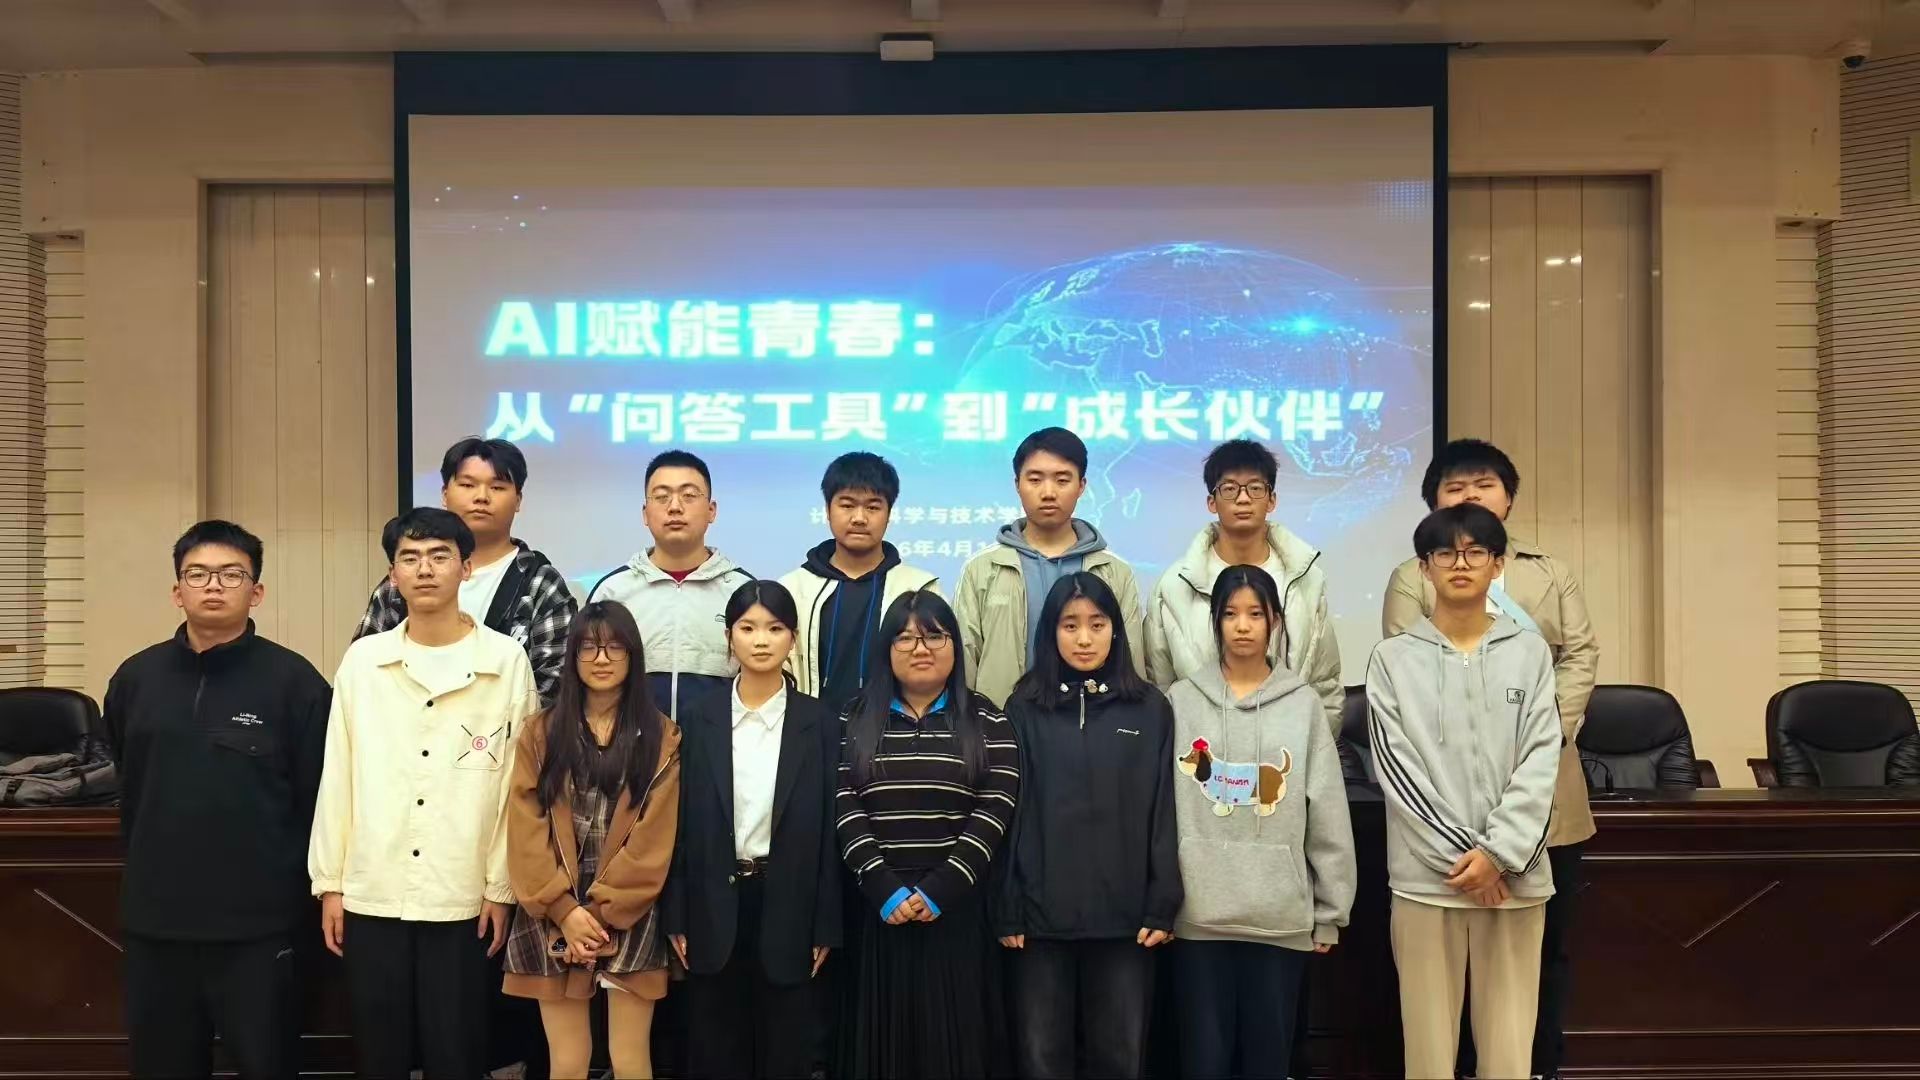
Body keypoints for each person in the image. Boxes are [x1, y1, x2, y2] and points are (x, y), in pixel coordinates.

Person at [1381, 438, 1597, 1080]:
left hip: (1523, 857)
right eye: (1446, 553)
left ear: (1497, 561)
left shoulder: (1533, 630)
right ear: (1426, 566)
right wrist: (1467, 857)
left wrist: (1500, 853)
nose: (1461, 563)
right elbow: (1398, 758)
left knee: (1517, 1028)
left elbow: (1545, 743)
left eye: (1476, 552)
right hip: (1431, 872)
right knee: (1428, 1041)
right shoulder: (1396, 651)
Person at [308, 507, 536, 1080]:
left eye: (439, 556)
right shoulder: (364, 661)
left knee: (457, 1050)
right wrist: (330, 883)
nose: (425, 569)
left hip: (464, 892)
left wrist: (501, 886)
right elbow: (338, 774)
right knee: (378, 1051)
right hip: (373, 887)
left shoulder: (505, 660)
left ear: (466, 568)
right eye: (410, 558)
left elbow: (519, 786)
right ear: (393, 575)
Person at [104, 520, 330, 1080]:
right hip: (157, 921)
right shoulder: (136, 678)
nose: (213, 586)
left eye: (231, 575)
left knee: (268, 1064)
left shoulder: (295, 682)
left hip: (259, 926)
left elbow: (316, 799)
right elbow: (128, 779)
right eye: (197, 574)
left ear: (257, 592)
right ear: (176, 590)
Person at [1165, 564, 1355, 1079]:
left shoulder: (1303, 705)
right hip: (1197, 919)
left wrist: (1330, 911)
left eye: (1255, 613)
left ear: (1275, 621)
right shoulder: (1181, 701)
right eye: (1230, 614)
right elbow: (1159, 810)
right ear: (1215, 621)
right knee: (1203, 1062)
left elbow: (1327, 811)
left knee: (1267, 1063)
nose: (1243, 625)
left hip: (1279, 921)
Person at [992, 573, 1181, 1080]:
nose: (1083, 638)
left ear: (1116, 630)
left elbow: (1164, 810)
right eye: (1069, 625)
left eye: (1097, 624)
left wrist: (1162, 903)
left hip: (1127, 923)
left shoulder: (1149, 709)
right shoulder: (1023, 708)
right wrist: (1008, 906)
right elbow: (1010, 813)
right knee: (1041, 1062)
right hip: (1038, 923)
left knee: (1120, 1061)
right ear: (1049, 633)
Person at [835, 590, 1021, 1080]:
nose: (921, 649)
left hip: (958, 910)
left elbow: (995, 809)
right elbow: (842, 803)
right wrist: (883, 886)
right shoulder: (853, 717)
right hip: (879, 910)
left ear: (955, 645)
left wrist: (942, 888)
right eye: (905, 638)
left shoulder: (989, 719)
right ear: (886, 650)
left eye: (935, 636)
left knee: (956, 1049)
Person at [665, 580, 842, 1079]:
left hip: (790, 903)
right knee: (715, 1051)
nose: (761, 640)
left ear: (793, 638)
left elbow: (831, 831)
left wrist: (826, 923)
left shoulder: (821, 723)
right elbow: (679, 823)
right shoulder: (698, 718)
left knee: (786, 1051)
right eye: (747, 628)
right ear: (729, 637)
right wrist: (677, 911)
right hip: (712, 903)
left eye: (775, 628)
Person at [503, 601, 681, 1080]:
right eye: (588, 648)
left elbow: (653, 840)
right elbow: (525, 828)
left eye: (614, 648)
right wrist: (564, 912)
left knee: (630, 1060)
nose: (601, 659)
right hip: (553, 909)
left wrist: (597, 917)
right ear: (572, 656)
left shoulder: (661, 736)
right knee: (567, 1061)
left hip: (628, 910)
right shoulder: (540, 732)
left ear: (633, 656)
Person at [354, 436, 578, 705]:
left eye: (497, 487)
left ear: (518, 500)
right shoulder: (406, 580)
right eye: (468, 485)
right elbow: (364, 672)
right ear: (444, 494)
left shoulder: (540, 584)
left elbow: (552, 688)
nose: (481, 497)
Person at [1146, 438, 1342, 733]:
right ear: (1211, 502)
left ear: (1271, 499)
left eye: (1255, 488)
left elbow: (1324, 684)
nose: (1243, 498)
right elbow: (1160, 687)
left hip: (1289, 744)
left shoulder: (1306, 580)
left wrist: (1312, 749)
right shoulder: (1174, 586)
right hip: (1201, 748)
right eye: (1229, 488)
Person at [956, 426, 1144, 708]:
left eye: (1062, 480)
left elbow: (1132, 659)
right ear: (1017, 484)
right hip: (1001, 723)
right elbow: (964, 661)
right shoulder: (982, 569)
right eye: (1035, 479)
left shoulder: (1113, 571)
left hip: (1096, 722)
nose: (1048, 492)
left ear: (1082, 486)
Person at [589, 449, 753, 723]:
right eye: (662, 496)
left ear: (711, 510)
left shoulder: (742, 591)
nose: (675, 507)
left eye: (689, 495)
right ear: (645, 513)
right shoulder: (613, 592)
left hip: (718, 744)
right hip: (632, 745)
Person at [780, 451, 941, 716]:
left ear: (889, 514)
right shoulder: (793, 589)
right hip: (810, 730)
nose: (859, 517)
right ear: (827, 510)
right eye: (847, 505)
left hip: (895, 730)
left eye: (873, 507)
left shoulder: (920, 589)